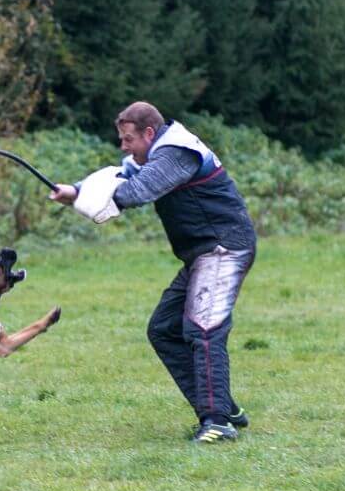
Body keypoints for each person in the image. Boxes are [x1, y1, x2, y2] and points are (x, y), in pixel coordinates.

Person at [50, 101, 257, 443]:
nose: (124, 147)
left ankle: (218, 423)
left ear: (149, 133)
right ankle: (225, 407)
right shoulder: (153, 154)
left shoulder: (177, 152)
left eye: (128, 139)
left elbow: (137, 191)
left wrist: (90, 202)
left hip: (224, 247)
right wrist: (75, 191)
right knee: (163, 329)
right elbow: (118, 175)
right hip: (202, 254)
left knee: (203, 328)